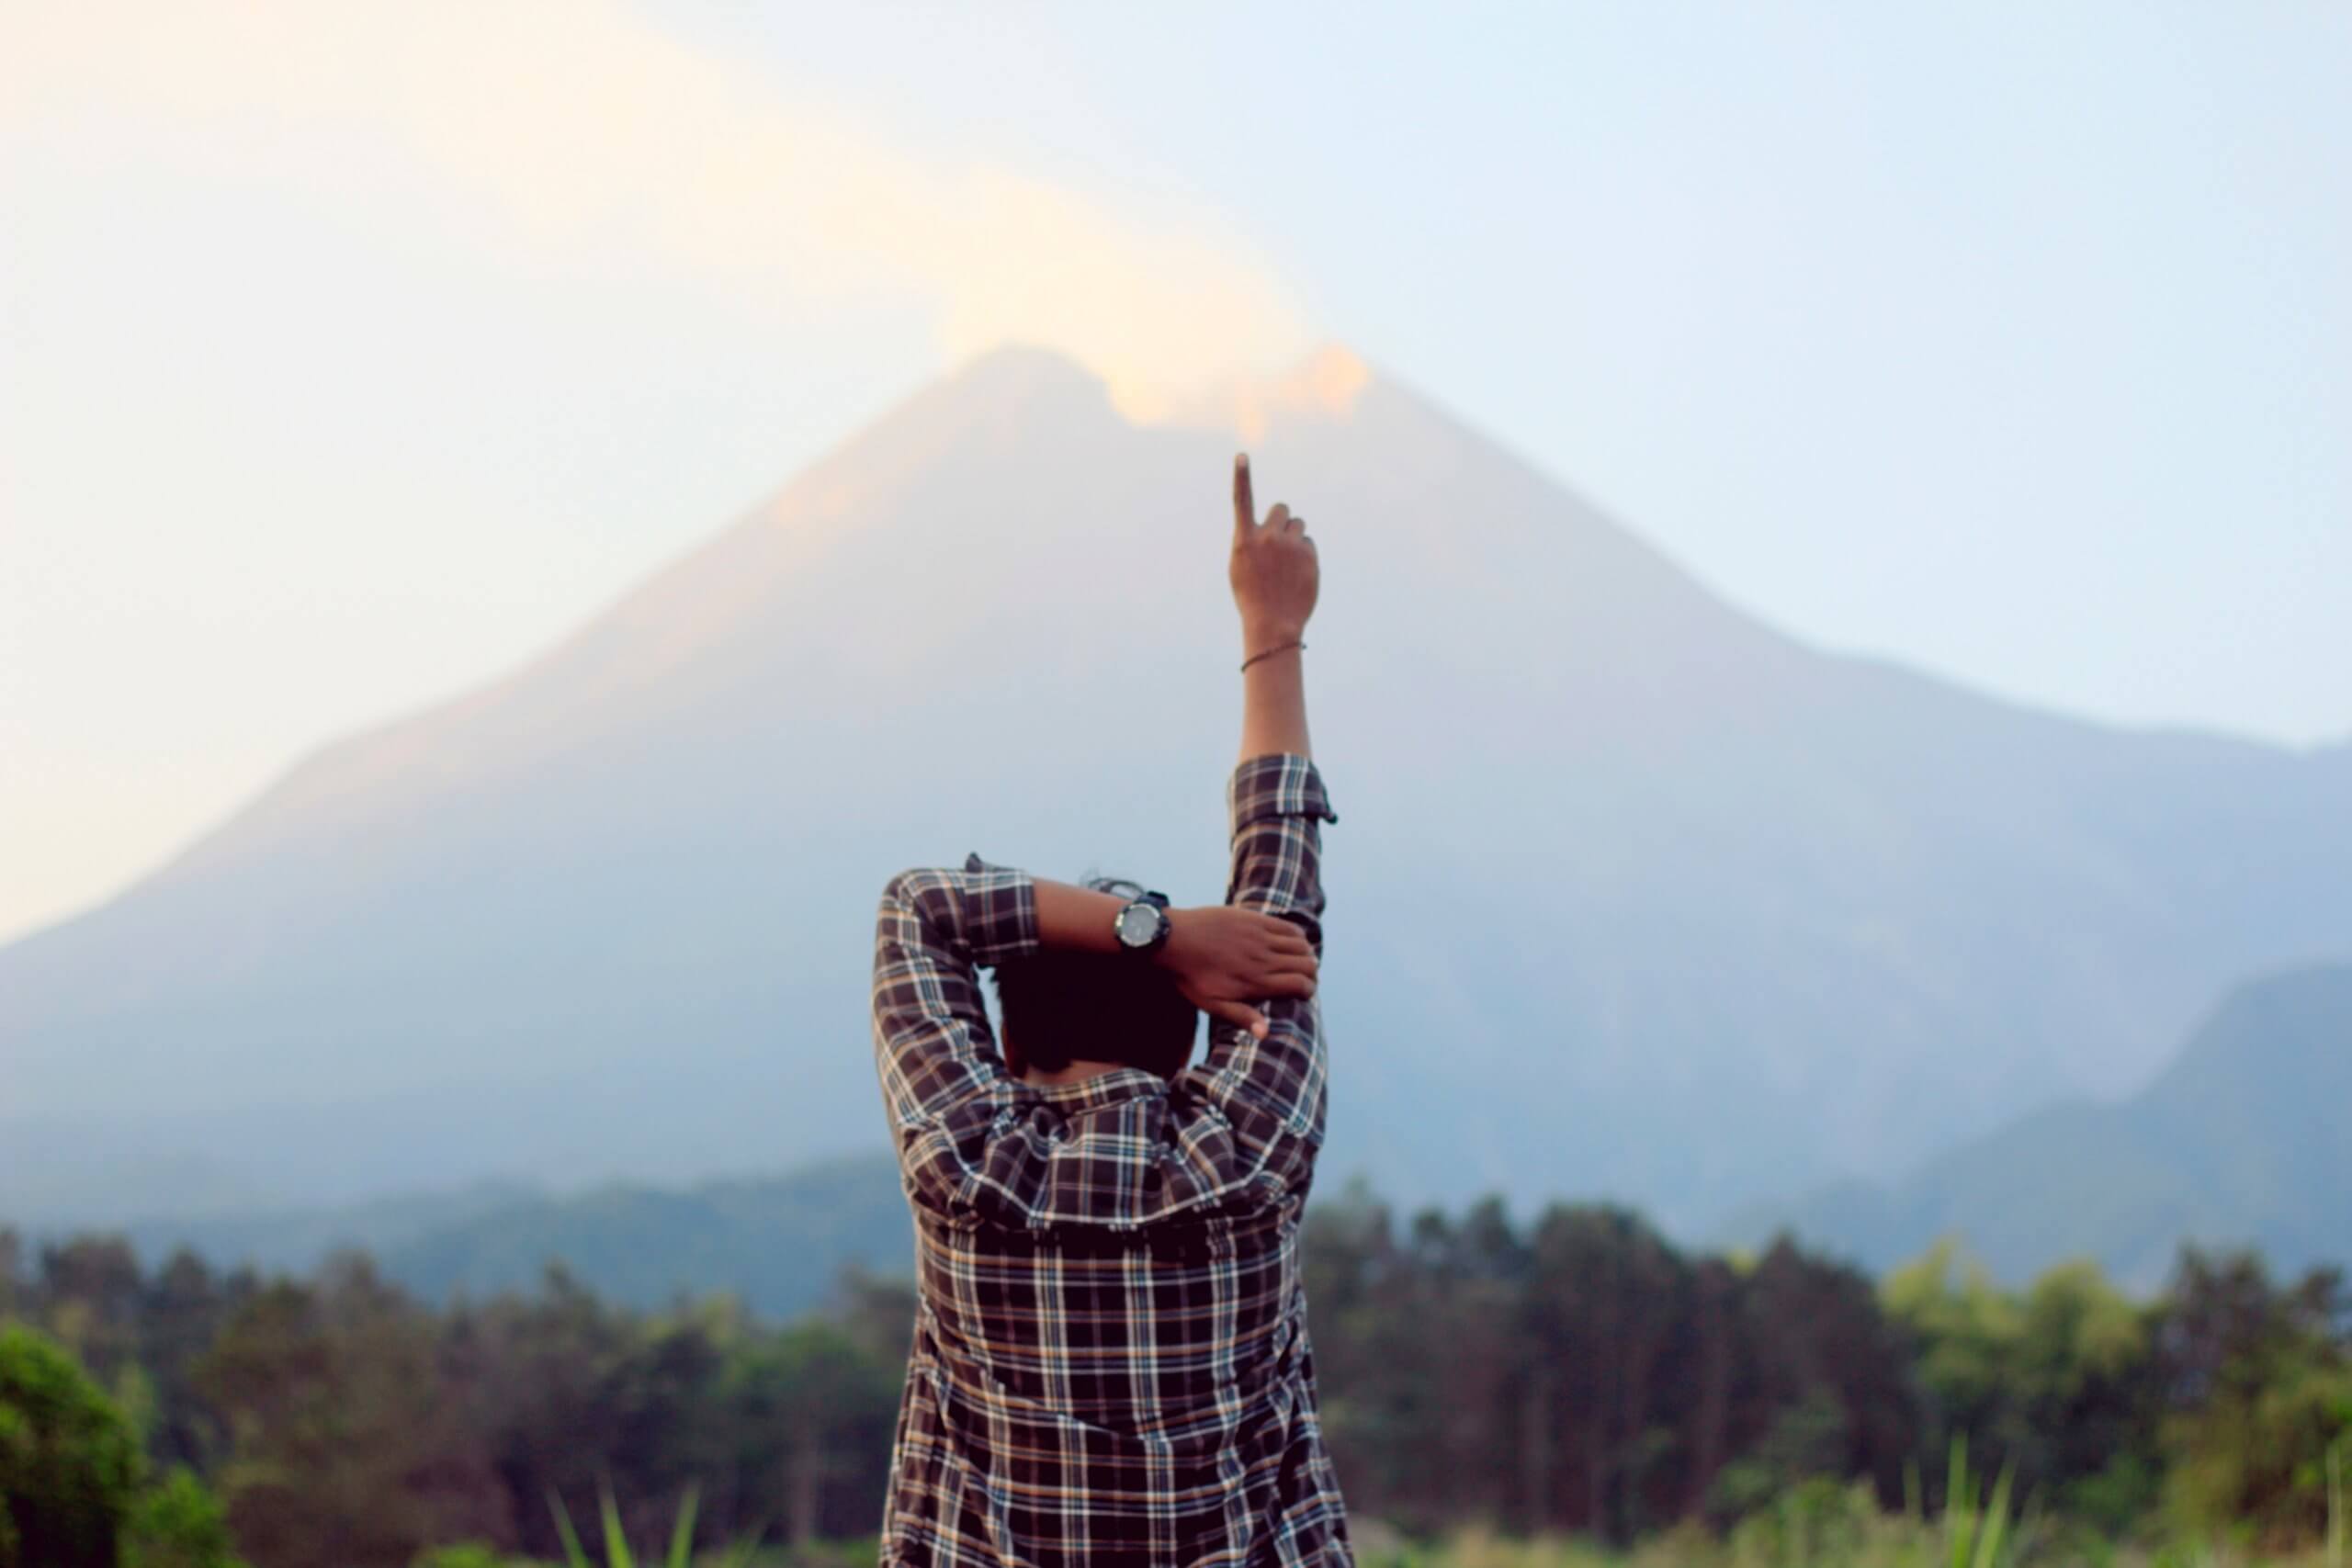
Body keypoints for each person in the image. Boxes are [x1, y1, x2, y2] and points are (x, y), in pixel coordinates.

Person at [869, 451, 1351, 1565]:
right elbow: (1282, 891)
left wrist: (1160, 931)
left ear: (1004, 1037)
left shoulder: (967, 1165)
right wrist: (1270, 625)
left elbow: (919, 909)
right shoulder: (1246, 1150)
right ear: (1201, 1028)